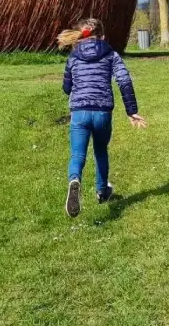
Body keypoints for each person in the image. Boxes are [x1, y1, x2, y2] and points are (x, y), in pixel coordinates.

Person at [58, 18, 147, 218]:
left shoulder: (74, 56)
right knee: (100, 151)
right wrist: (131, 110)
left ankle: (75, 180)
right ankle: (101, 191)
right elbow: (124, 81)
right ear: (103, 36)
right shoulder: (111, 54)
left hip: (79, 112)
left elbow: (66, 87)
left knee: (77, 155)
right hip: (102, 113)